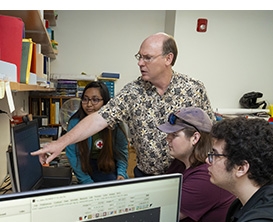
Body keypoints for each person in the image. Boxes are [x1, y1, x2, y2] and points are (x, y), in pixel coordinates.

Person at [31, 32, 215, 177]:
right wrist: (60, 143)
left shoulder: (193, 89)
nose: (140, 63)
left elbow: (210, 132)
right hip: (146, 176)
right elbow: (98, 119)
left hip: (186, 176)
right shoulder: (132, 92)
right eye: (139, 56)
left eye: (147, 57)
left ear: (168, 58)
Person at [207, 117, 273, 222]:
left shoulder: (264, 217)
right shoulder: (261, 196)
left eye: (215, 155)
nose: (207, 160)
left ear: (241, 168)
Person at [158, 107, 235, 222]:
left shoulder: (207, 176)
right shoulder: (180, 163)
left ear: (195, 138)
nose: (167, 138)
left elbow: (162, 214)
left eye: (174, 135)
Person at [66, 81, 129, 184]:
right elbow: (73, 156)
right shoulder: (74, 123)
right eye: (85, 99)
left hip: (106, 167)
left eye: (95, 100)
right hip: (84, 168)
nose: (89, 104)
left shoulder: (115, 123)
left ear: (105, 102)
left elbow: (122, 152)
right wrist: (86, 181)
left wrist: (121, 173)